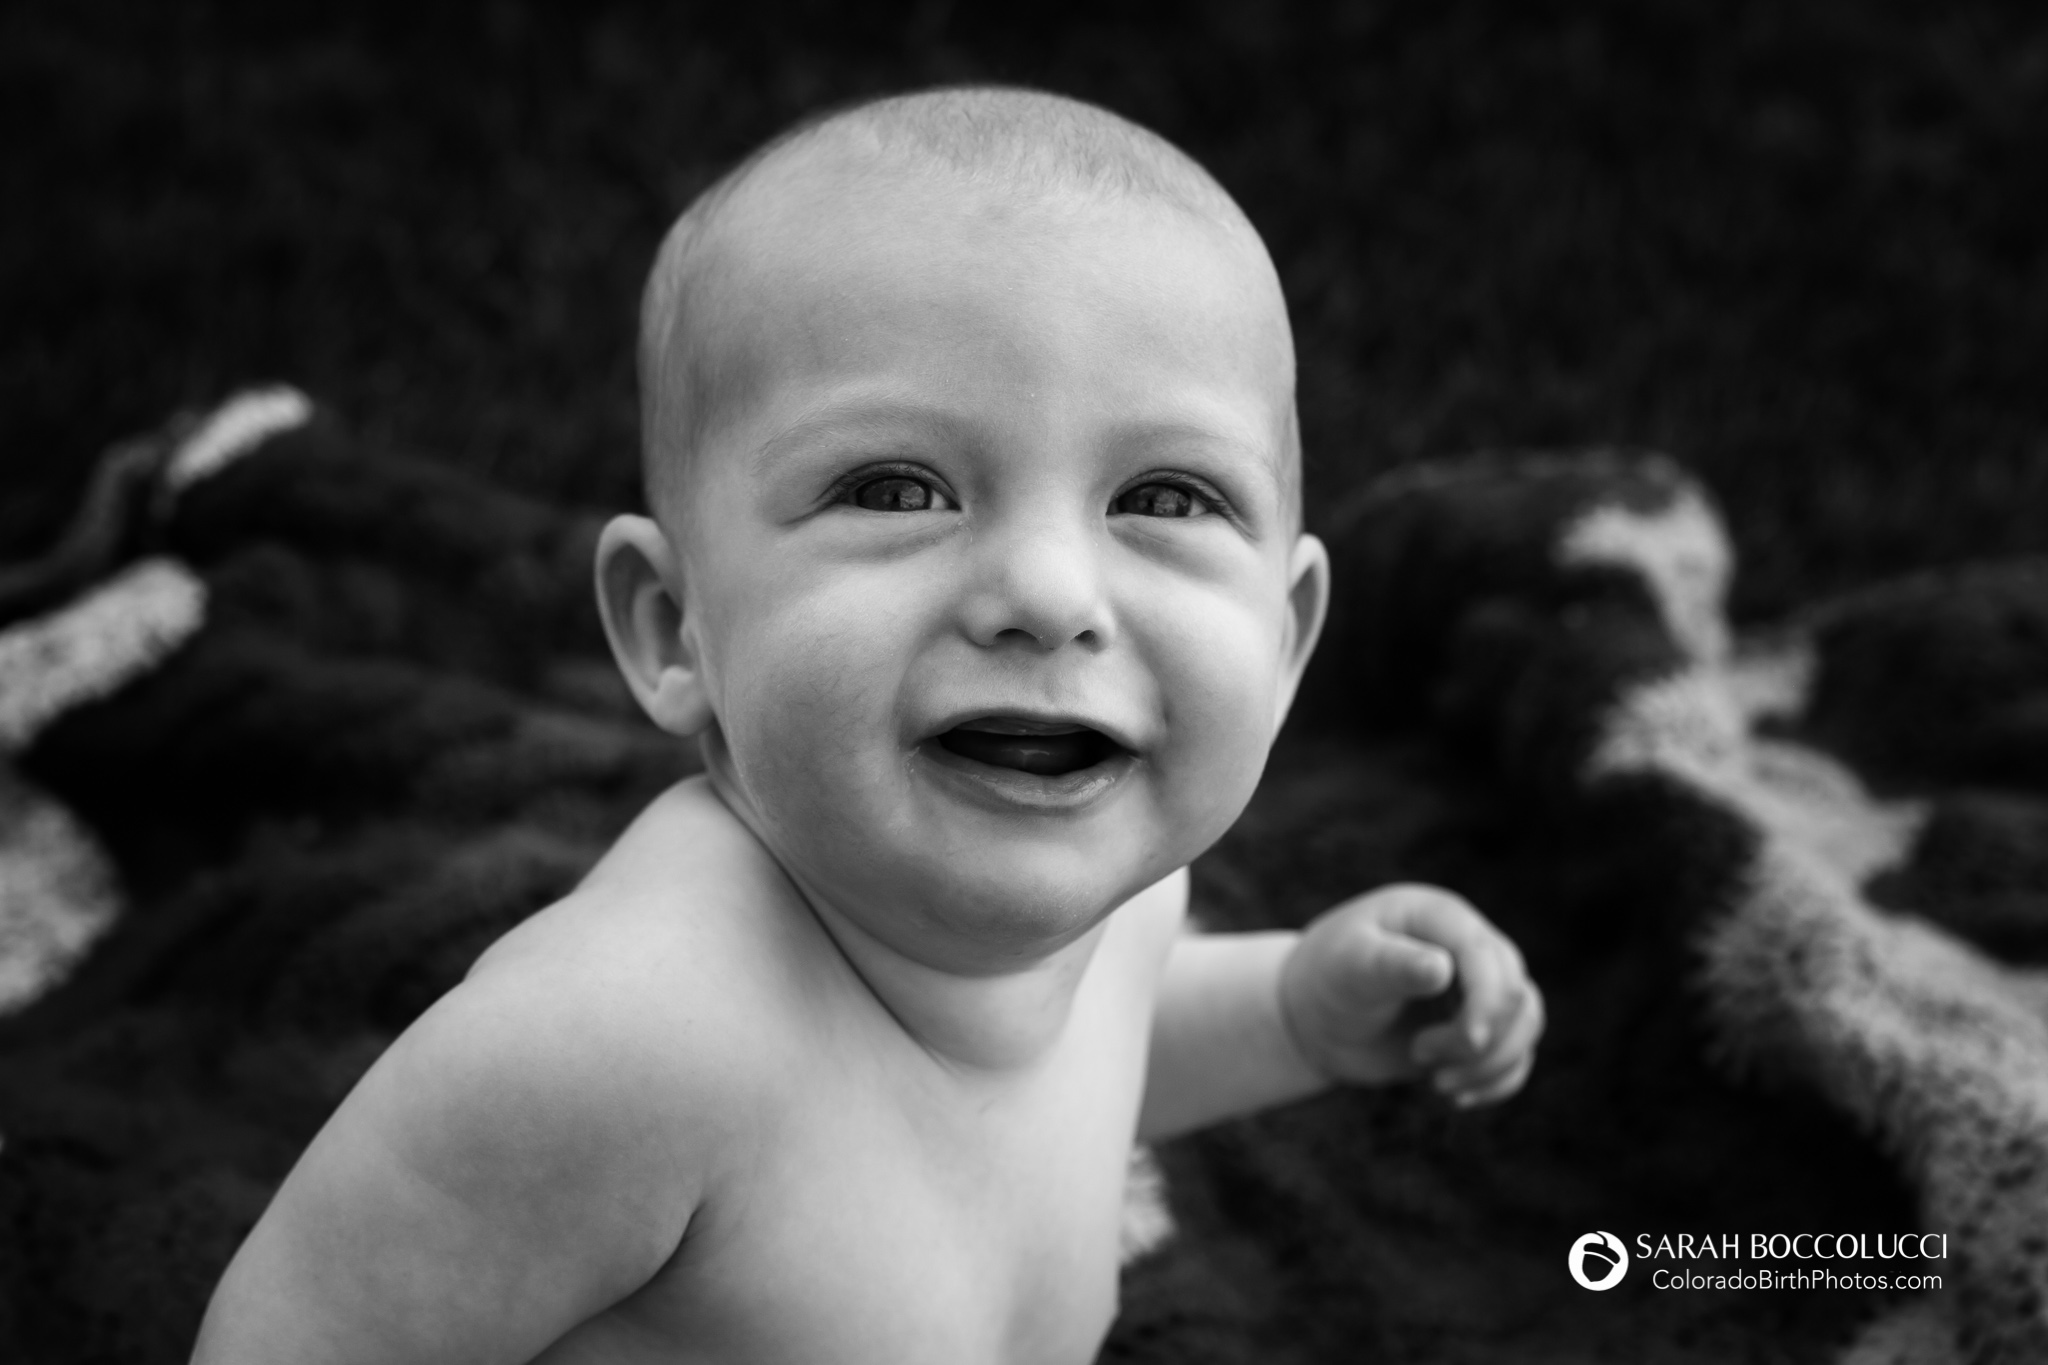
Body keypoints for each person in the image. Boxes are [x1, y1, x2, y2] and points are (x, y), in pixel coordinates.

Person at [191, 85, 1543, 1365]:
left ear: (1288, 635)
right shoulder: (615, 1051)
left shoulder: (1117, 898)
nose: (1048, 594)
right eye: (899, 489)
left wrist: (1295, 1013)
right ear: (676, 629)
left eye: (1170, 497)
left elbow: (1086, 1041)